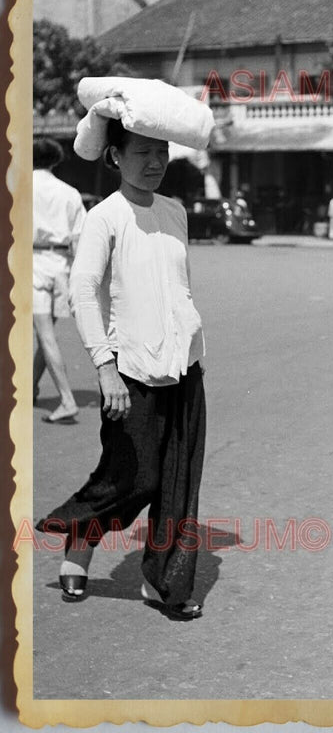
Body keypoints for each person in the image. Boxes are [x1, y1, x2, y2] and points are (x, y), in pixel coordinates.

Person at [36, 76, 215, 619]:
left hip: (183, 367)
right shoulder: (103, 216)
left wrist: (189, 347)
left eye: (161, 151)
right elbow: (84, 293)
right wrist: (105, 369)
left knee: (178, 485)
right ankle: (79, 538)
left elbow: (176, 287)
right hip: (129, 370)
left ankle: (164, 584)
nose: (155, 162)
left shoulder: (176, 212)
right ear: (115, 156)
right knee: (132, 476)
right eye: (142, 152)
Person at [33, 137, 86, 423]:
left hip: (33, 263)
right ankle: (29, 388)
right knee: (46, 333)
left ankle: (66, 400)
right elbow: (79, 239)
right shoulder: (70, 193)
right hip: (61, 265)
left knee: (45, 334)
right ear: (56, 160)